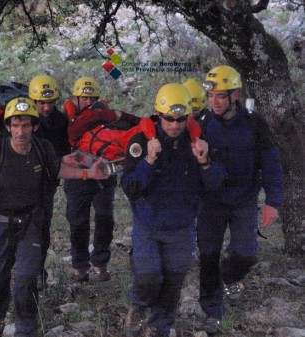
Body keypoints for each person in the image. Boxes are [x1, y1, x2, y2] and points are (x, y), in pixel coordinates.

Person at [0, 97, 109, 337]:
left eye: (25, 125)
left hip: (30, 223)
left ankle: (26, 329)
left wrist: (88, 173)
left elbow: (56, 170)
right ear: (8, 127)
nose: (20, 132)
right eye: (15, 125)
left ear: (35, 126)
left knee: (26, 278)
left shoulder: (43, 149)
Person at [121, 83, 227, 337]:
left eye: (180, 119)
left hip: (182, 227)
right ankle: (138, 304)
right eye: (169, 118)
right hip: (148, 224)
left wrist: (205, 162)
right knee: (148, 278)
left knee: (172, 282)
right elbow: (130, 187)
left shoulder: (199, 142)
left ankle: (160, 326)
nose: (174, 125)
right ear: (158, 114)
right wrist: (148, 161)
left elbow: (217, 184)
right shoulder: (140, 141)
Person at [197, 65, 283, 332]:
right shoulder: (201, 123)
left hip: (244, 201)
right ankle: (212, 310)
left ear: (234, 95)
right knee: (208, 256)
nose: (214, 101)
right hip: (210, 203)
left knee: (245, 254)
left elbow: (270, 163)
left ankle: (226, 279)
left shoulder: (254, 124)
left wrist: (273, 202)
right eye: (211, 96)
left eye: (220, 96)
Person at [64, 76, 124, 282]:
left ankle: (100, 262)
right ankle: (80, 266)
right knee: (77, 220)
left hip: (103, 174)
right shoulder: (68, 119)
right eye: (84, 98)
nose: (88, 102)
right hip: (77, 176)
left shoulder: (107, 117)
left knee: (105, 218)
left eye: (92, 98)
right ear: (76, 98)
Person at [28, 74, 73, 289]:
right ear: (33, 101)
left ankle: (38, 272)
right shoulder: (24, 121)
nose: (46, 107)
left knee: (43, 225)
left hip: (48, 183)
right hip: (25, 183)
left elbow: (64, 150)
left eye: (49, 102)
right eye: (41, 103)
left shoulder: (60, 120)